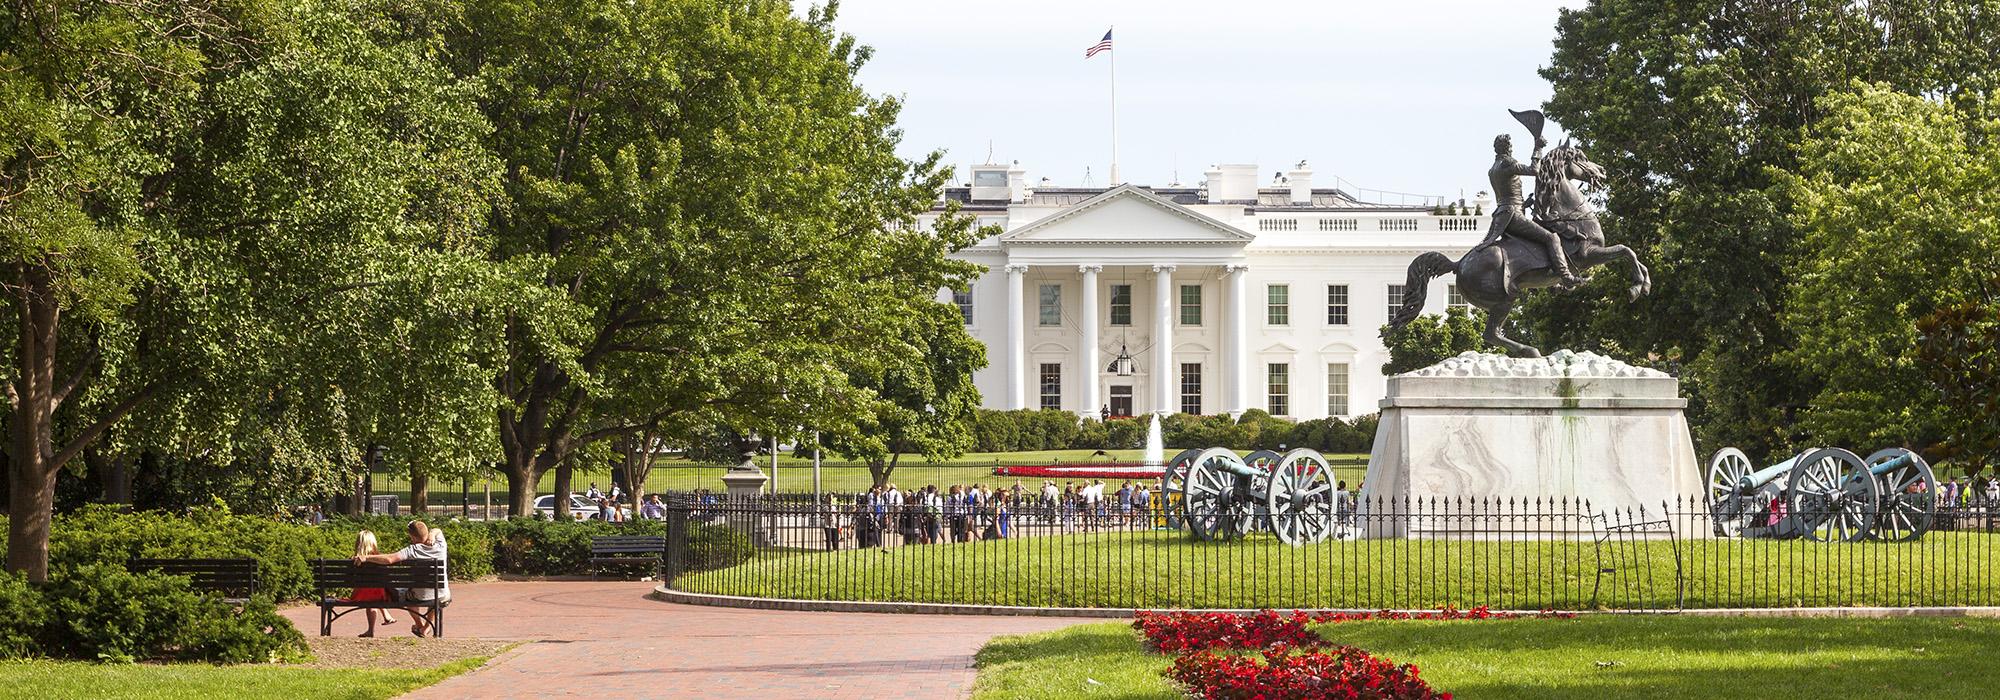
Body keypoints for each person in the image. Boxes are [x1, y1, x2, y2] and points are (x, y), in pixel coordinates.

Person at [1480, 132, 1583, 288]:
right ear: (1507, 148)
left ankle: (1547, 278)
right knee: (1552, 238)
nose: (1511, 149)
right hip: (1513, 214)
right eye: (1510, 146)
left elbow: (1506, 193)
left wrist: (1524, 203)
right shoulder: (1507, 164)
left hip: (1503, 213)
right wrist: (1538, 147)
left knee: (1537, 237)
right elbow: (1534, 170)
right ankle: (1566, 276)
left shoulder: (1492, 169)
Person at [353, 520, 450, 637]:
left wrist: (366, 557)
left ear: (413, 537)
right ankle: (426, 628)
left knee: (408, 597)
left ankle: (420, 625)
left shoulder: (412, 550)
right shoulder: (441, 545)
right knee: (437, 595)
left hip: (418, 596)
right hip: (441, 594)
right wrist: (432, 534)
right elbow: (437, 530)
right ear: (427, 533)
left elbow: (390, 559)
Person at [346, 530, 398, 636]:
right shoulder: (379, 559)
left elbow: (350, 579)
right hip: (380, 593)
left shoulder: (354, 561)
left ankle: (371, 630)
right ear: (373, 543)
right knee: (375, 590)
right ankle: (386, 616)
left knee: (369, 593)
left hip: (361, 594)